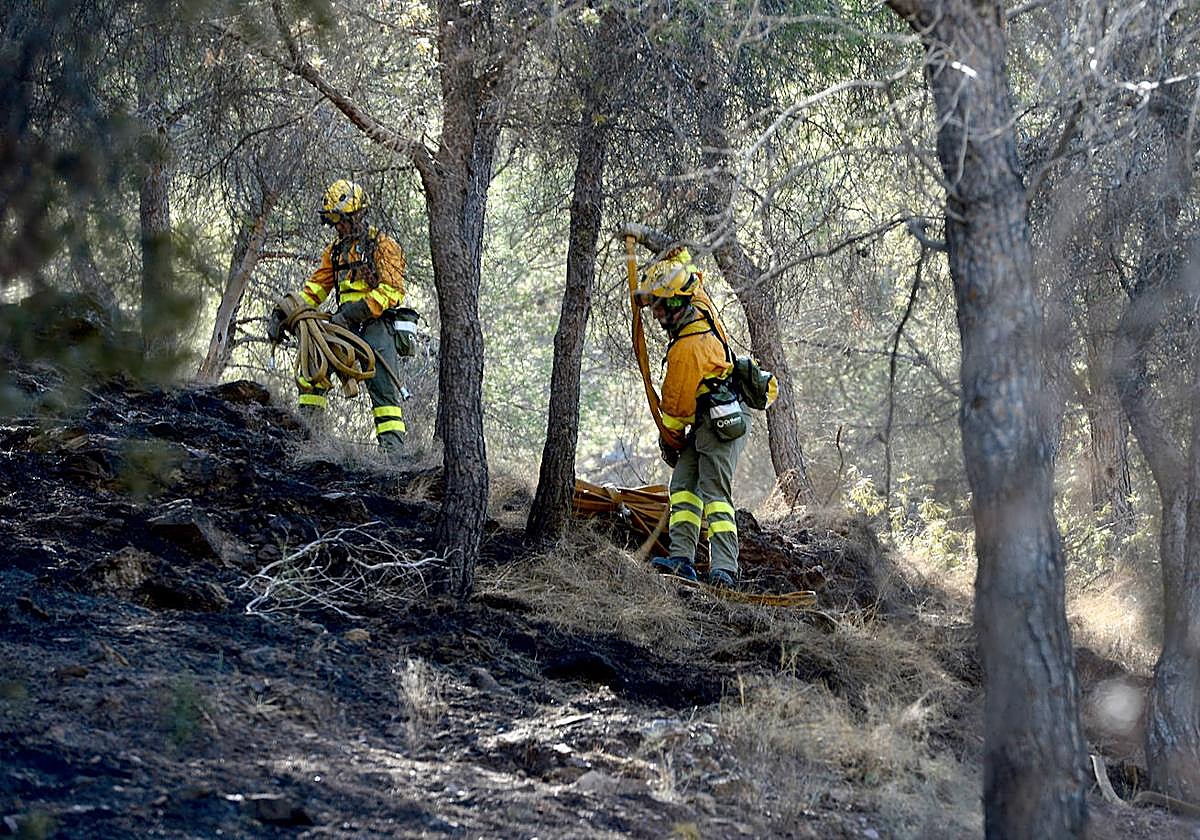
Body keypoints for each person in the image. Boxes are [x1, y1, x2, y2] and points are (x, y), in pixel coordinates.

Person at [635, 246, 751, 589]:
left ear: (674, 305)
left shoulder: (687, 349)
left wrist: (667, 442)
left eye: (657, 307)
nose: (654, 315)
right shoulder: (697, 298)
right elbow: (684, 261)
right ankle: (682, 559)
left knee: (714, 492)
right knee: (683, 487)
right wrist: (645, 241)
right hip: (703, 419)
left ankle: (725, 569)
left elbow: (674, 414)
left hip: (720, 420)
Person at [268, 179, 409, 454]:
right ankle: (310, 440)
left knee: (384, 391)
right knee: (312, 374)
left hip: (375, 325)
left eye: (341, 221)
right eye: (333, 222)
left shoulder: (383, 245)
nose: (338, 227)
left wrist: (355, 312)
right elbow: (316, 289)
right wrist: (285, 312)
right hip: (342, 327)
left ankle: (394, 457)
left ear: (357, 215)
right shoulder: (334, 251)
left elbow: (393, 290)